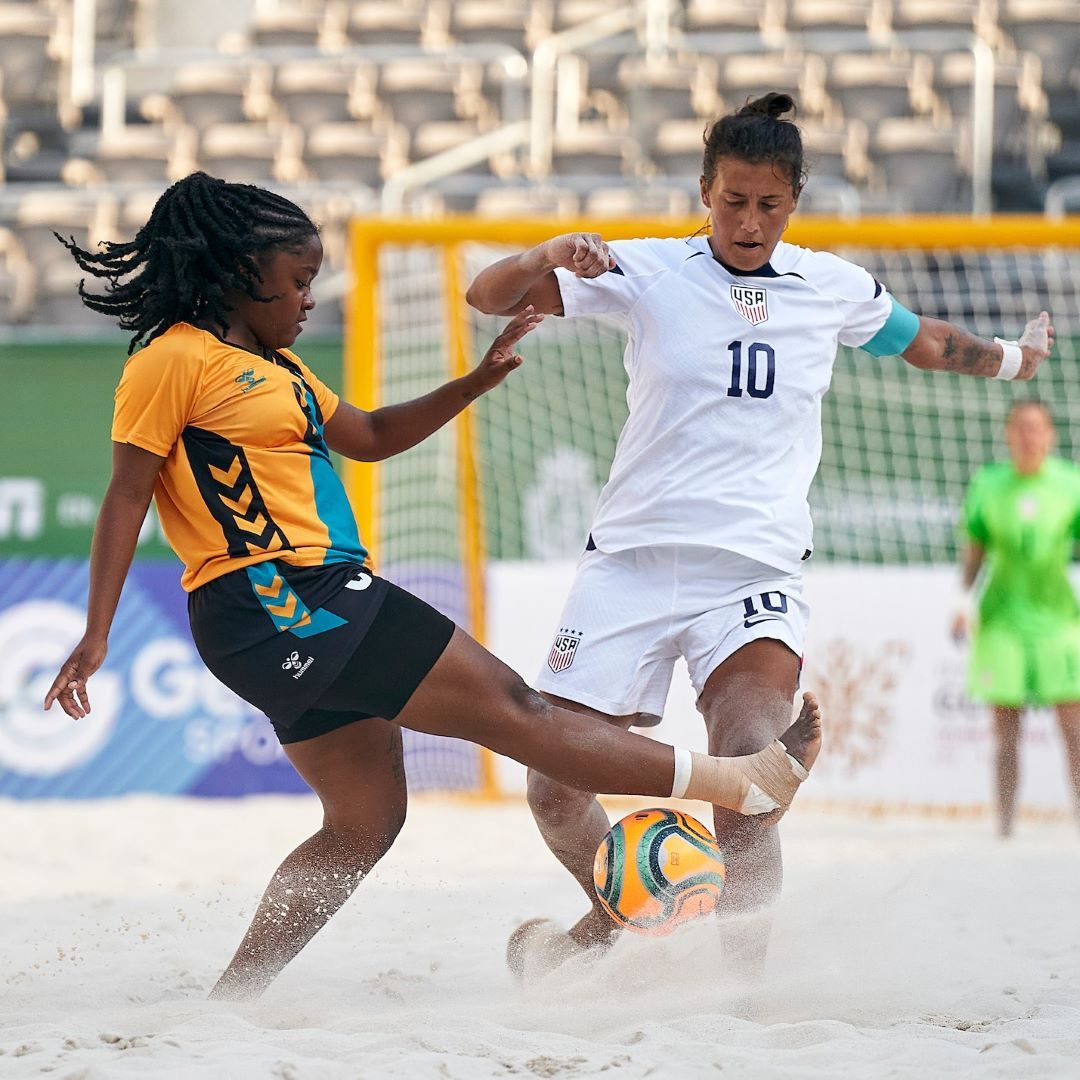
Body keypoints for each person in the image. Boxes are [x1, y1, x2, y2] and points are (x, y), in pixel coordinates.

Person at [42, 171, 823, 1002]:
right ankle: (737, 782)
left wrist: (473, 382)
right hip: (289, 599)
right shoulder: (171, 360)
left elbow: (372, 436)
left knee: (363, 825)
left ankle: (231, 1001)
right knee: (520, 712)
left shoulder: (280, 368)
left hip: (289, 613)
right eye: (298, 281)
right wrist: (98, 634)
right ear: (239, 275)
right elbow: (127, 495)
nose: (311, 298)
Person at [466, 92, 1055, 971]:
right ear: (705, 192)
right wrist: (548, 253)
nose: (749, 221)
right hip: (628, 563)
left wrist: (1013, 358)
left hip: (754, 573)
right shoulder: (646, 271)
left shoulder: (832, 287)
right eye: (733, 200)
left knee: (750, 772)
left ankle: (736, 994)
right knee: (552, 788)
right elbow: (488, 296)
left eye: (769, 204)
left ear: (793, 202)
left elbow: (926, 340)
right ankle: (618, 911)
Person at [953, 400, 1080, 837]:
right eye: (1021, 428)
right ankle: (1004, 829)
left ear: (1051, 435)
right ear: (1008, 434)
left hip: (1058, 621)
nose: (1029, 436)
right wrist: (961, 603)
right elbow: (974, 554)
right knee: (1006, 735)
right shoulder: (988, 484)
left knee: (1076, 730)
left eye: (1037, 428)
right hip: (1002, 622)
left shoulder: (1071, 483)